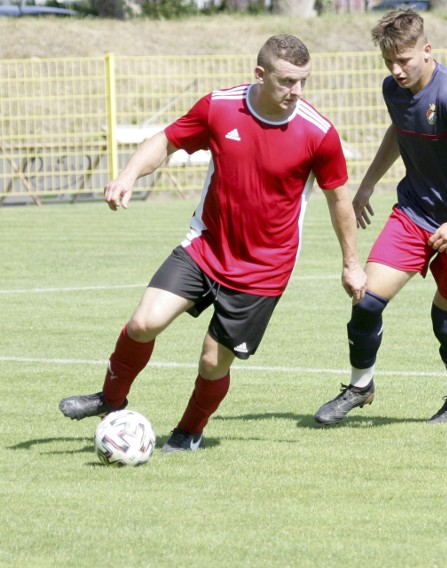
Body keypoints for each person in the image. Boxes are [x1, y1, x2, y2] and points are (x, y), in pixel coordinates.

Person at [60, 34, 366, 452]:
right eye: (287, 81)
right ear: (260, 75)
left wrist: (351, 262)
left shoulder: (318, 133)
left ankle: (189, 431)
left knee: (211, 359)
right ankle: (109, 400)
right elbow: (166, 141)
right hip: (205, 246)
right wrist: (129, 174)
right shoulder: (219, 107)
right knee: (143, 323)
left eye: (303, 81)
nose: (297, 91)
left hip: (263, 269)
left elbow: (339, 200)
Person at [314, 9, 447, 425]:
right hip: (415, 213)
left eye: (404, 60)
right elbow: (399, 128)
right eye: (389, 61)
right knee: (366, 300)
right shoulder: (394, 88)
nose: (396, 70)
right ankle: (360, 385)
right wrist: (369, 183)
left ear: (427, 50)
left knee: (446, 323)